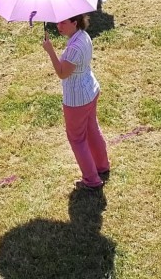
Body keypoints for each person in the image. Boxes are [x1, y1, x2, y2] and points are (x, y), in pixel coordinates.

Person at [41, 14, 110, 190]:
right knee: (91, 128)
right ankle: (102, 166)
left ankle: (92, 180)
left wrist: (50, 51)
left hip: (77, 99)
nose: (58, 25)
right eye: (57, 22)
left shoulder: (74, 48)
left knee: (77, 139)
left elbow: (62, 73)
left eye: (63, 22)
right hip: (90, 89)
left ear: (75, 22)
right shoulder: (82, 35)